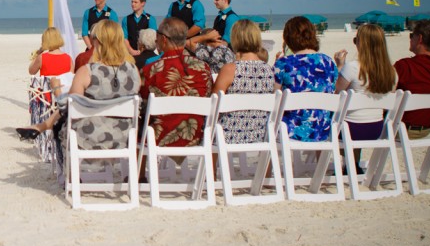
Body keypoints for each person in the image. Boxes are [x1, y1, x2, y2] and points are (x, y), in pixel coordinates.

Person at [17, 20, 139, 144]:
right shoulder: (134, 71)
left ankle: (41, 127)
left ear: (98, 41)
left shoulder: (87, 72)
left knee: (61, 124)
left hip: (89, 139)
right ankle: (41, 126)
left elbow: (68, 107)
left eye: (93, 38)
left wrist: (56, 89)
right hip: (125, 139)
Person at [140, 18, 214, 148]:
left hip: (159, 139)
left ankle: (140, 168)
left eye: (157, 36)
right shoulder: (204, 68)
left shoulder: (150, 70)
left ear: (163, 39)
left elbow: (144, 105)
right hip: (195, 137)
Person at [334, 23, 397, 165]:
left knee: (339, 117)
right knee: (357, 116)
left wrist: (339, 66)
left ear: (361, 44)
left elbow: (336, 95)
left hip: (350, 129)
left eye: (356, 40)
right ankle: (353, 164)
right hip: (377, 128)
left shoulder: (352, 67)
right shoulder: (391, 72)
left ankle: (349, 165)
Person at [274, 16, 338, 142]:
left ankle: (271, 162)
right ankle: (320, 161)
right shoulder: (328, 62)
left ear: (288, 39)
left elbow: (274, 97)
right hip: (322, 130)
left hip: (290, 130)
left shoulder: (283, 64)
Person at [212, 19, 276, 144]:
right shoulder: (268, 70)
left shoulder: (230, 69)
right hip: (259, 135)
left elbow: (213, 104)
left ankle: (212, 164)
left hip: (228, 135)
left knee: (210, 127)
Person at [395, 19, 430, 139]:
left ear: (420, 39)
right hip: (428, 128)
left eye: (412, 36)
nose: (410, 39)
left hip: (401, 129)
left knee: (354, 122)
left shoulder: (405, 66)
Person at [28, 26, 74, 102]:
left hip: (46, 99)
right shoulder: (68, 58)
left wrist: (38, 52)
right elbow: (70, 80)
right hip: (63, 98)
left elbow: (31, 71)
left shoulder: (42, 57)